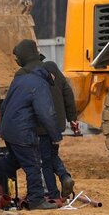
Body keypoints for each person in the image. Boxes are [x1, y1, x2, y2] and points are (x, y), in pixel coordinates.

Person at [0, 40, 65, 209]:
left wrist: (3, 128)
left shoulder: (21, 79)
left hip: (10, 129)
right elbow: (46, 113)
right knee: (33, 164)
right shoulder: (39, 83)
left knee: (16, 159)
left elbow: (4, 105)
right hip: (22, 130)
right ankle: (36, 200)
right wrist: (56, 136)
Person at [34, 48, 79, 200]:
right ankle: (64, 176)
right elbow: (68, 92)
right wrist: (72, 117)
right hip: (58, 122)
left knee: (45, 160)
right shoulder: (52, 67)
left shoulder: (32, 75)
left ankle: (53, 193)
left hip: (42, 125)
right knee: (53, 154)